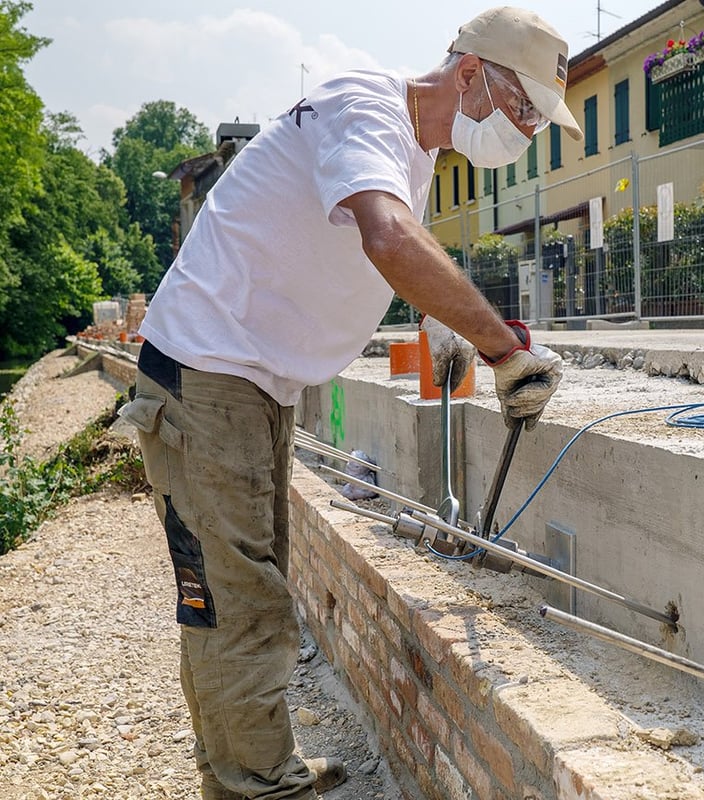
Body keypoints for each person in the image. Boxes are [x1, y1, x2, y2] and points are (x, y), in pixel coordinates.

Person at [118, 7, 577, 799]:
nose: (524, 132)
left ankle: (251, 768)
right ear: (469, 73)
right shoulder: (366, 104)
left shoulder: (413, 152)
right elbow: (388, 239)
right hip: (207, 374)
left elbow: (399, 248)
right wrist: (505, 346)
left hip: (248, 377)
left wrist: (441, 320)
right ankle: (260, 785)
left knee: (237, 591)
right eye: (522, 110)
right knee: (239, 601)